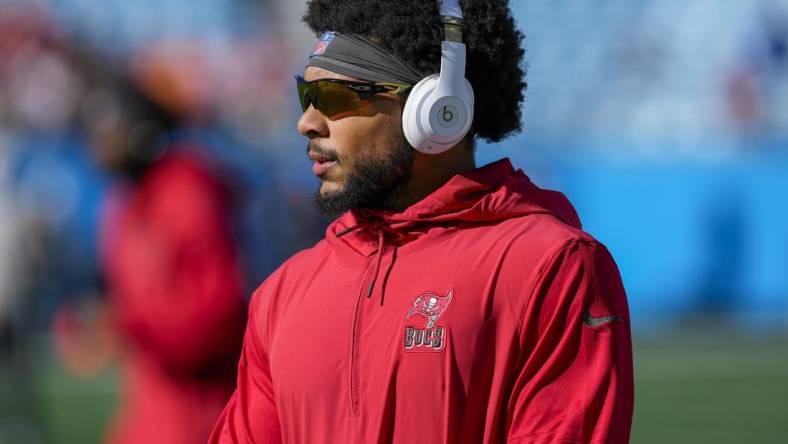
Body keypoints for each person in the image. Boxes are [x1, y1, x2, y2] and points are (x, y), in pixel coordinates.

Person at [210, 1, 634, 443]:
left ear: (437, 109)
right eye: (306, 96)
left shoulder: (551, 266)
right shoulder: (280, 295)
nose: (306, 123)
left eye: (335, 98)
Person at [84, 75, 247, 444]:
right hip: (154, 403)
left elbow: (214, 314)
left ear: (139, 128)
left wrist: (126, 323)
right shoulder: (126, 203)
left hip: (202, 409)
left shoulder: (188, 192)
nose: (94, 136)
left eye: (104, 121)